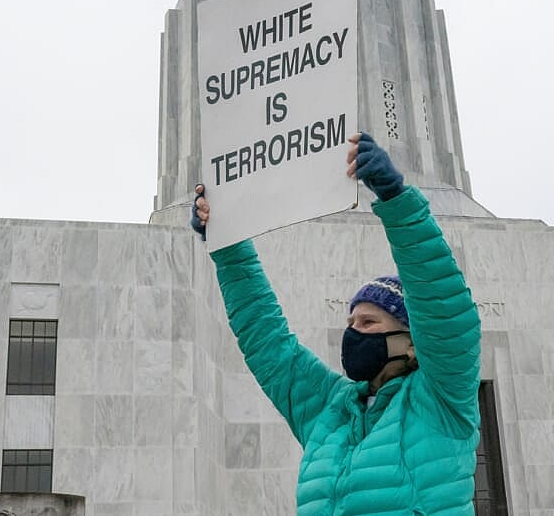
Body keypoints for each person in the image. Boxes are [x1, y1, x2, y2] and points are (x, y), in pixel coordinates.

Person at [192, 132, 481, 514]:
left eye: (369, 322)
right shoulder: (327, 411)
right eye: (351, 321)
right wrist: (227, 246)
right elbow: (267, 340)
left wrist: (396, 201)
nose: (354, 331)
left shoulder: (441, 400)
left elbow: (443, 307)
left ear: (412, 341)